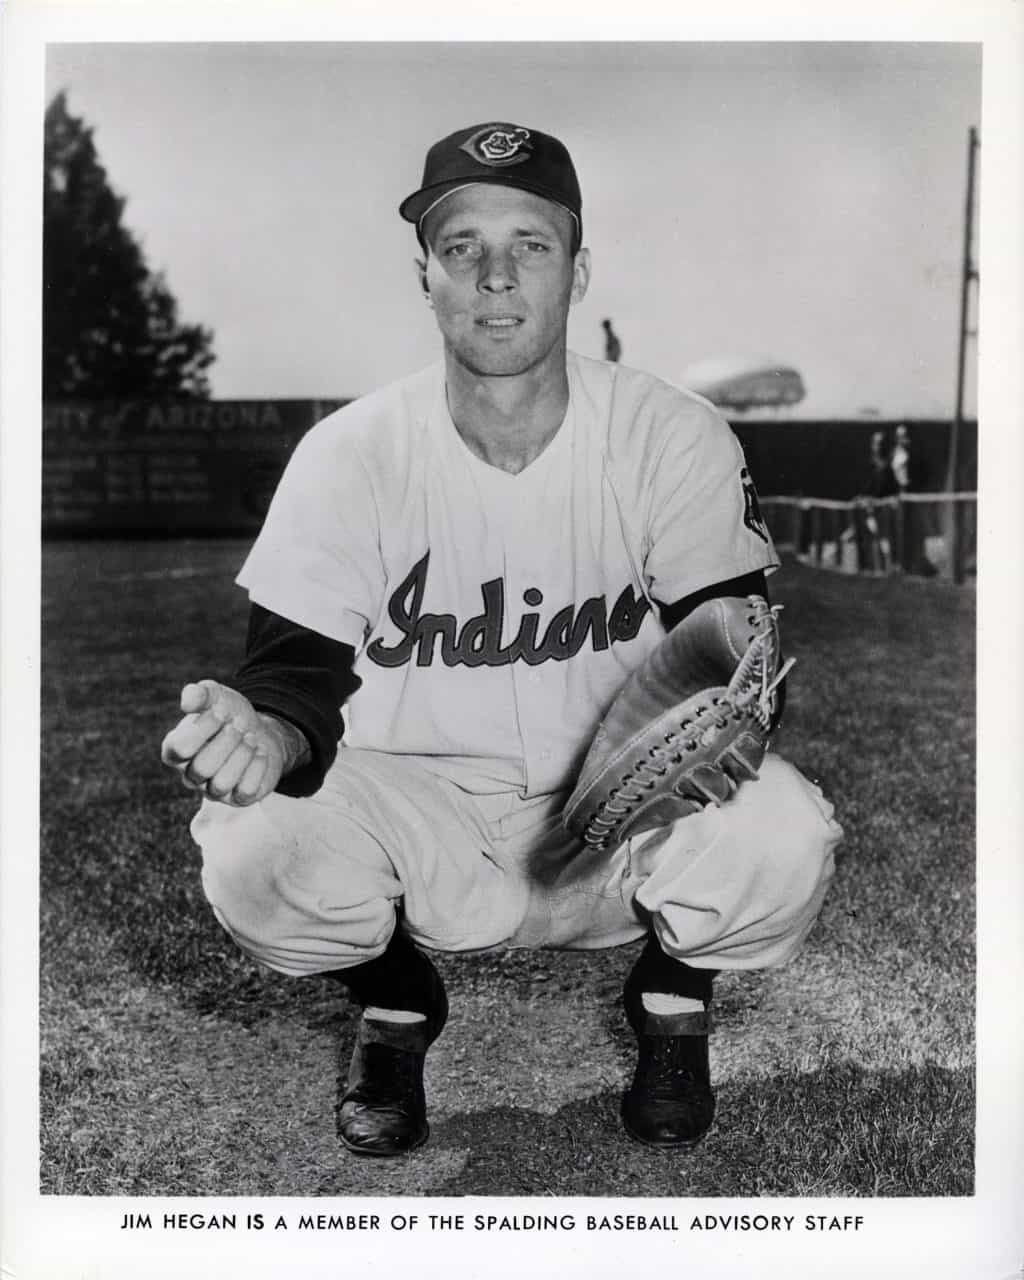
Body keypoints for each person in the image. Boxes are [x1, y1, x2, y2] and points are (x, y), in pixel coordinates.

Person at [161, 122, 842, 1158]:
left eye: (529, 243)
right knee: (250, 849)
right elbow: (294, 669)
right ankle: (395, 1001)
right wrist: (267, 728)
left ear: (576, 270)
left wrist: (730, 708)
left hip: (615, 812)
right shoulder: (350, 451)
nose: (493, 276)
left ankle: (670, 996)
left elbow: (727, 633)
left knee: (781, 831)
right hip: (417, 808)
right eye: (460, 245)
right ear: (424, 275)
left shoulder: (670, 430)